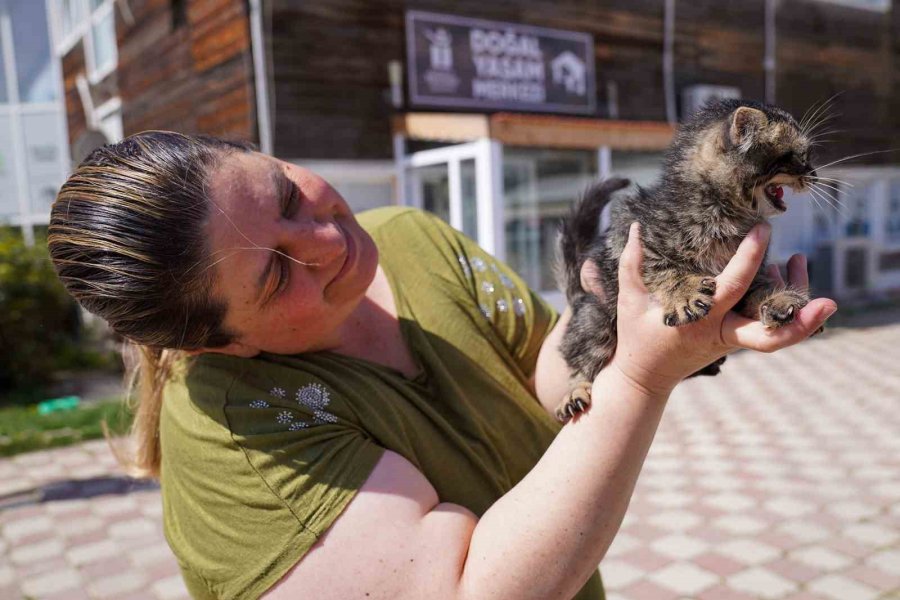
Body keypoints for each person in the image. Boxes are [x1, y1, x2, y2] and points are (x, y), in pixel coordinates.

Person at [48, 131, 836, 600]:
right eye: (277, 273)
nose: (328, 240)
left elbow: (542, 380)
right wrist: (640, 378)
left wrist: (639, 313)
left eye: (286, 195)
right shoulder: (236, 438)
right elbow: (470, 589)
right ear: (217, 344)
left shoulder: (410, 239)